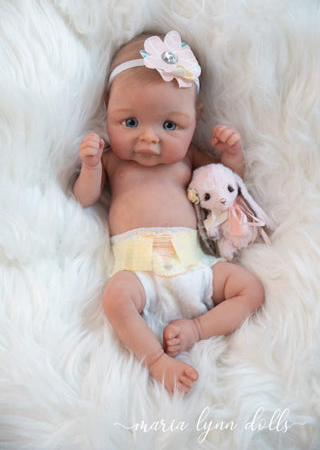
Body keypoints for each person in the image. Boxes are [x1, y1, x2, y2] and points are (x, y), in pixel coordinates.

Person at [73, 31, 264, 394]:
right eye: (130, 122)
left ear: (196, 118)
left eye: (170, 125)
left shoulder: (190, 158)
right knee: (115, 297)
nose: (149, 138)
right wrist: (90, 165)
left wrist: (232, 155)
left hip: (195, 267)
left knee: (250, 288)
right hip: (140, 275)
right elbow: (85, 198)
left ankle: (199, 329)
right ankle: (156, 360)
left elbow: (228, 185)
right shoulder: (113, 161)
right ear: (107, 107)